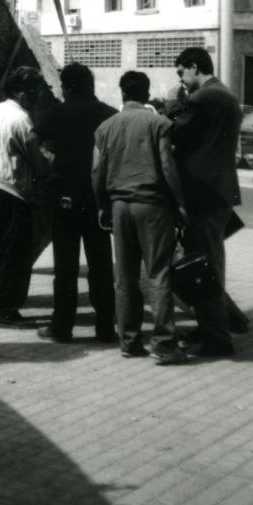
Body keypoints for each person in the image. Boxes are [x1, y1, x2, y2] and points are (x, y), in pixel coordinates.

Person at [92, 71, 188, 365]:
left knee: (125, 277)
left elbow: (97, 171)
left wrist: (101, 206)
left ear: (122, 94)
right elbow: (168, 166)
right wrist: (181, 204)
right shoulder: (159, 123)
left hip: (120, 205)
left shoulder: (106, 127)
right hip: (153, 206)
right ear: (146, 95)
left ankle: (129, 341)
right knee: (158, 273)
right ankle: (163, 343)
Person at [167, 47, 247, 356]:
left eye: (181, 72)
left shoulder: (203, 99)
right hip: (219, 192)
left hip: (202, 193)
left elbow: (175, 131)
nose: (182, 80)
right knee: (211, 262)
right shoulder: (225, 94)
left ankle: (217, 338)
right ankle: (212, 326)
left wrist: (173, 102)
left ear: (194, 66)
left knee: (203, 267)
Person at [33, 62, 118, 343]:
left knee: (66, 268)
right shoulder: (109, 114)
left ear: (67, 87)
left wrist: (47, 168)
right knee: (101, 265)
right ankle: (105, 327)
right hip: (98, 200)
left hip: (64, 198)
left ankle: (62, 328)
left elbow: (30, 140)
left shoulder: (56, 113)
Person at [0, 65, 52, 329]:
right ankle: (6, 309)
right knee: (16, 253)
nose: (36, 97)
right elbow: (37, 160)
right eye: (33, 91)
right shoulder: (21, 119)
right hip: (14, 190)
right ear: (21, 91)